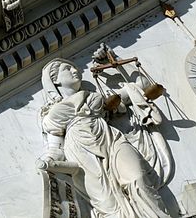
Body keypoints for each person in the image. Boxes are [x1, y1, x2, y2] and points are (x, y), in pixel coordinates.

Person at [38, 58, 169, 218]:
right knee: (108, 203)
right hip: (82, 151)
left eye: (75, 69)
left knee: (138, 177)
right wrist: (48, 161)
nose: (75, 71)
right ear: (55, 80)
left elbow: (140, 84)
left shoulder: (96, 97)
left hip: (111, 139)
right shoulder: (53, 112)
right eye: (67, 69)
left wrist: (113, 61)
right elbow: (55, 147)